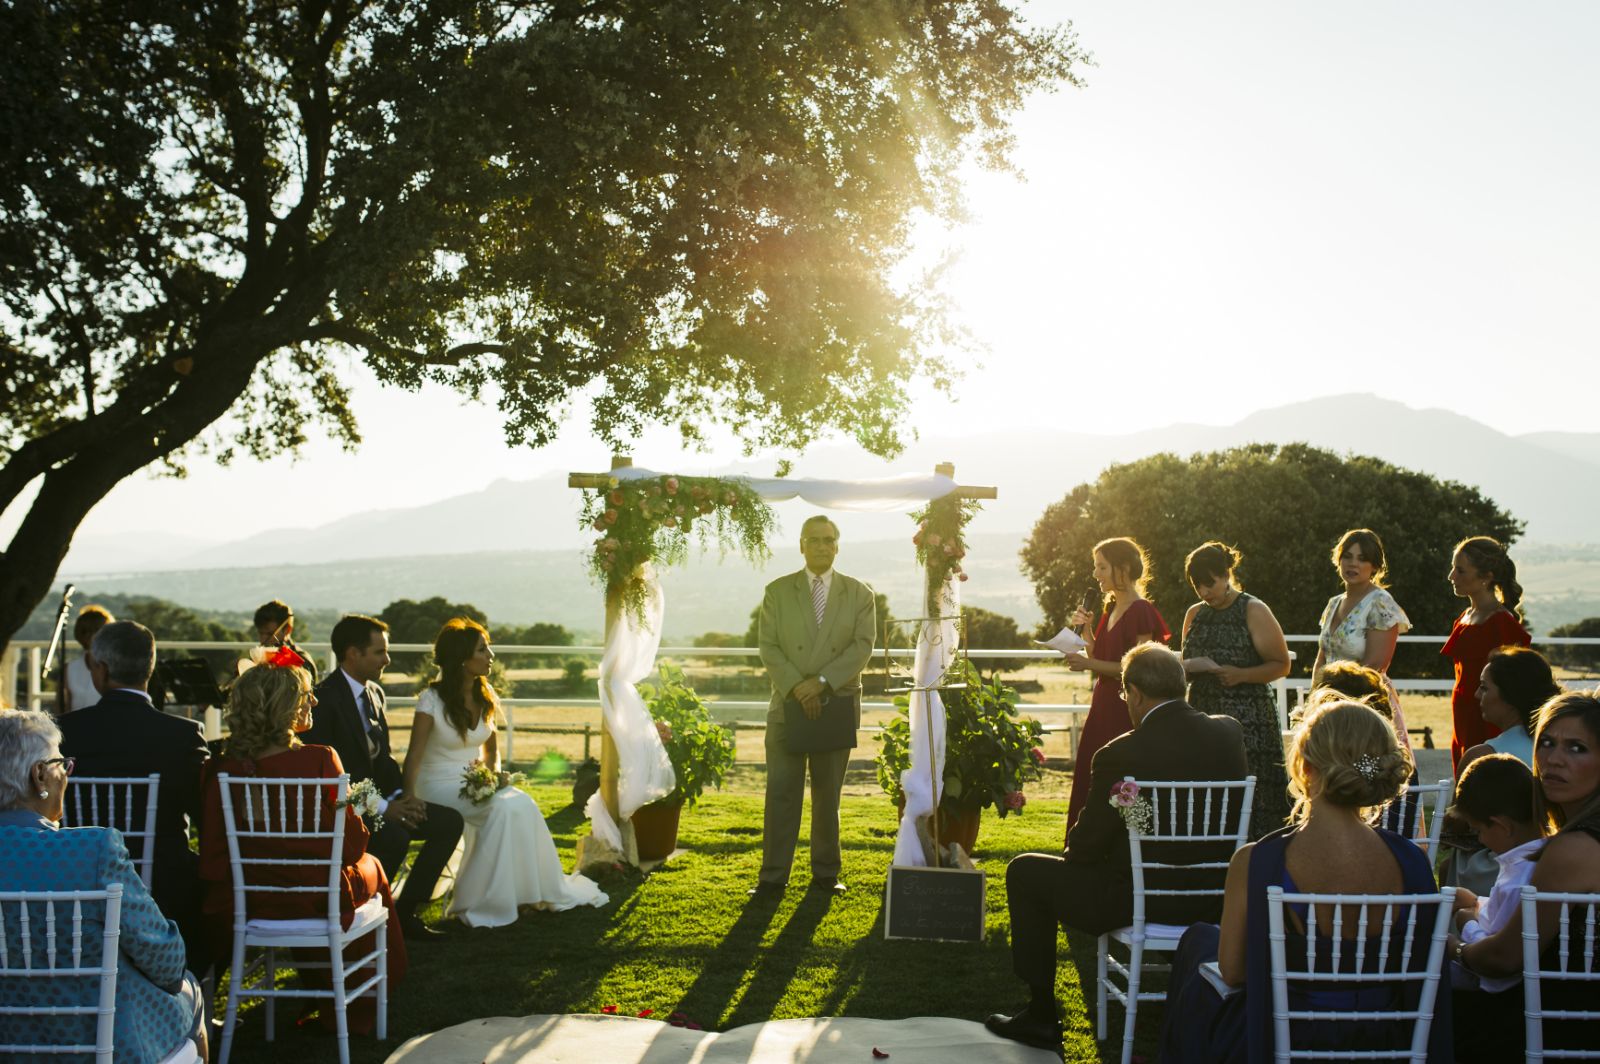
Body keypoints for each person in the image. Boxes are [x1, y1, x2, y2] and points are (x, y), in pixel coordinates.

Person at [984, 644, 1247, 1052]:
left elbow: (1085, 848)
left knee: (1024, 872)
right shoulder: (1229, 733)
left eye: (1125, 694)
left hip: (1138, 900)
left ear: (1136, 694)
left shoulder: (1120, 752)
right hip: (1214, 902)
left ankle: (1040, 1015)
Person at [1159, 699, 1450, 1063]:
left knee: (1199, 944)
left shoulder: (1255, 861)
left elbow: (1232, 973)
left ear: (1305, 766)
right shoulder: (1413, 862)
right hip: (1385, 1039)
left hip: (1288, 1038)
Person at [199, 659, 406, 1035]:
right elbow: (351, 847)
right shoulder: (320, 759)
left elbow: (213, 856)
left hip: (254, 897)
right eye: (307, 696)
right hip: (318, 896)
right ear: (283, 707)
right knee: (373, 865)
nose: (314, 702)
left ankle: (322, 986)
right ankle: (361, 996)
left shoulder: (221, 769)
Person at [0, 709, 208, 1062]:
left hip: (9, 1041)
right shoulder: (93, 850)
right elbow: (166, 960)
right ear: (40, 775)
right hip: (104, 1041)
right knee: (191, 990)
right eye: (62, 764)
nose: (67, 774)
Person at [402, 617, 607, 926]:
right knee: (499, 810)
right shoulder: (430, 701)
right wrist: (409, 796)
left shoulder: (485, 696)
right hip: (435, 784)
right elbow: (414, 754)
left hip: (473, 782)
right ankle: (482, 901)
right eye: (482, 649)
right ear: (462, 658)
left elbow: (491, 752)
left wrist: (492, 777)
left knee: (522, 803)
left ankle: (528, 893)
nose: (491, 656)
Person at [1448, 692, 1600, 1061]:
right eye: (1546, 743)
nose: (1554, 759)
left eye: (1577, 748)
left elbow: (1504, 958)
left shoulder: (1573, 849)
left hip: (1564, 1027)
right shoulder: (1573, 840)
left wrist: (1453, 947)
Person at [57, 620, 210, 970]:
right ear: (149, 667)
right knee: (216, 896)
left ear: (102, 669)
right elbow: (205, 814)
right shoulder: (183, 735)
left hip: (79, 880)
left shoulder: (64, 732)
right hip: (165, 890)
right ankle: (186, 984)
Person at [303, 614, 463, 939]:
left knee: (449, 822)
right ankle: (368, 915)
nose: (387, 660)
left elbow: (384, 761)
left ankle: (405, 912)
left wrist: (405, 798)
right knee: (395, 837)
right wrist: (385, 809)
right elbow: (333, 775)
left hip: (385, 802)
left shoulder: (375, 693)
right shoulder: (324, 700)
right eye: (380, 652)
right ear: (353, 653)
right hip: (346, 811)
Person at [753, 514, 876, 895]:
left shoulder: (859, 594)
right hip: (786, 706)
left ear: (837, 546)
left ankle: (826, 874)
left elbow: (862, 647)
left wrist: (820, 684)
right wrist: (797, 688)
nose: (822, 546)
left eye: (828, 540)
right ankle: (772, 877)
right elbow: (768, 646)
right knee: (781, 793)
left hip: (835, 704)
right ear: (801, 545)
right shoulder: (777, 591)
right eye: (814, 540)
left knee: (827, 796)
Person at [1180, 541, 1293, 839]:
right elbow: (1184, 664)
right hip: (1203, 716)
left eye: (1209, 583)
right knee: (1207, 788)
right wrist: (1189, 666)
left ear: (1226, 574)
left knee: (1253, 790)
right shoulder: (1194, 614)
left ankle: (1259, 851)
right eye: (1197, 585)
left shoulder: (1253, 609)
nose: (1204, 592)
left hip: (1249, 721)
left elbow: (1281, 665)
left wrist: (1242, 675)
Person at [1062, 536, 1171, 834]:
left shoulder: (1141, 610)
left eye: (1102, 567)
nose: (1095, 573)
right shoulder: (1111, 609)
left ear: (1122, 568)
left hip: (1127, 705)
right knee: (1093, 772)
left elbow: (1138, 667)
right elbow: (1098, 655)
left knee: (1118, 774)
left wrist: (1087, 665)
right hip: (1102, 703)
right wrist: (1086, 630)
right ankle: (1085, 841)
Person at [1447, 754, 1544, 993]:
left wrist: (1465, 926)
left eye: (1479, 830)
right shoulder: (1535, 861)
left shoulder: (1518, 880)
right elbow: (1505, 915)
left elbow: (1497, 962)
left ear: (1503, 827)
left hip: (1494, 992)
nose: (1480, 839)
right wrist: (1476, 902)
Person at [1311, 528, 1411, 745]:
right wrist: (1316, 698)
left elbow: (1375, 664)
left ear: (1374, 566)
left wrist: (1343, 701)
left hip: (1366, 701)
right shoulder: (1333, 604)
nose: (1353, 564)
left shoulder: (1380, 603)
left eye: (1362, 558)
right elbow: (1323, 657)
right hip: (1328, 700)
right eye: (1347, 556)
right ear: (1338, 560)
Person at [1442, 537, 1530, 772]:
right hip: (1463, 715)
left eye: (1460, 570)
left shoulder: (1502, 623)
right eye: (1453, 568)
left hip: (1487, 717)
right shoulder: (1464, 617)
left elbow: (1514, 684)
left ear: (1486, 577)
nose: (1451, 576)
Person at [1461, 645, 1560, 771]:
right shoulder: (1561, 753)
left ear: (1511, 696)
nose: (1477, 694)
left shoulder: (1481, 758)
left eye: (1484, 688)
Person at [56, 603, 113, 715]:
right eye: (86, 631)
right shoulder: (69, 669)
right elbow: (62, 708)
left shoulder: (115, 667)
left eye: (96, 631)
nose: (91, 636)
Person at [247, 599, 318, 680]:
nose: (263, 640)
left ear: (287, 630)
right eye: (260, 633)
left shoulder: (303, 661)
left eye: (270, 634)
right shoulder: (257, 659)